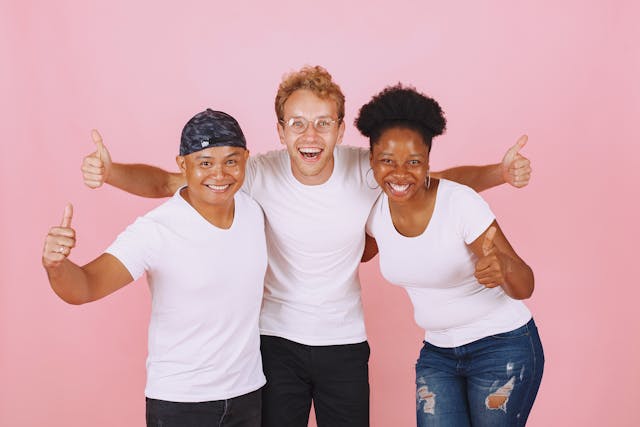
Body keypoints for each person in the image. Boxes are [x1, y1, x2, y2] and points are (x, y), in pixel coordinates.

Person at [79, 66, 532, 427]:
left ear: (339, 128)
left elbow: (433, 179)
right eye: (297, 124)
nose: (309, 135)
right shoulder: (254, 171)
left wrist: (499, 172)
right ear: (280, 130)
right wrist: (112, 172)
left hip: (344, 341)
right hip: (275, 342)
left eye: (322, 123)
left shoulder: (364, 166)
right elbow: (166, 180)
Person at [43, 110, 268, 427]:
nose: (220, 174)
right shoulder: (156, 231)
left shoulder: (253, 210)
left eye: (231, 161)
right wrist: (56, 265)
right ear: (183, 165)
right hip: (181, 403)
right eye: (205, 163)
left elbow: (161, 181)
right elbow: (84, 287)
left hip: (248, 395)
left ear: (246, 159)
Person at [355, 84, 544, 426]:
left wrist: (503, 268)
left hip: (501, 346)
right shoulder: (375, 212)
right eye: (387, 161)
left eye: (414, 162)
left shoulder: (460, 204)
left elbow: (525, 285)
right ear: (371, 160)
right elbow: (351, 255)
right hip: (437, 354)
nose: (399, 173)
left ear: (428, 162)